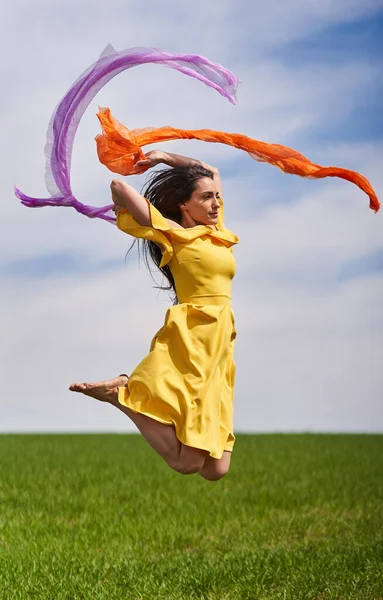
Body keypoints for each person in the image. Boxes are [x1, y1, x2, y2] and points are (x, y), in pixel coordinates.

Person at [70, 150, 239, 481]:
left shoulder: (218, 231)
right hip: (195, 339)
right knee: (187, 463)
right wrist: (134, 166)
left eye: (217, 196)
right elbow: (118, 187)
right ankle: (120, 395)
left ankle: (123, 393)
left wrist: (163, 157)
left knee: (216, 469)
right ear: (184, 206)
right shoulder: (173, 235)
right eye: (206, 198)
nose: (216, 203)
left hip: (221, 345)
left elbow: (210, 168)